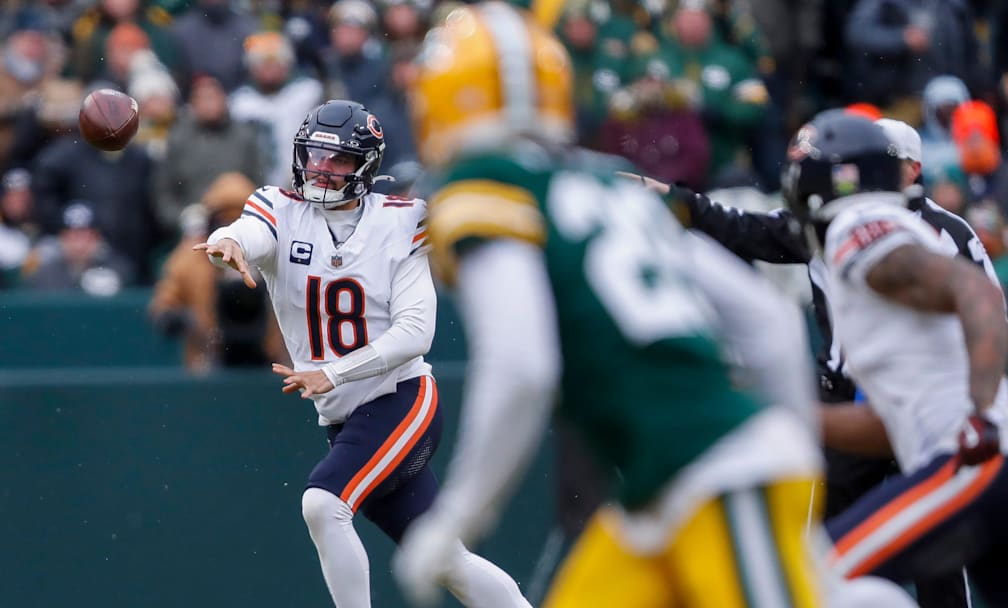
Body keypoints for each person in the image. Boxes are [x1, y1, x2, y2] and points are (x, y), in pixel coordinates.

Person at [391, 4, 829, 607]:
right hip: (657, 499)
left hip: (715, 477)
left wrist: (457, 517)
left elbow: (523, 367)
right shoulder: (611, 179)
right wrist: (798, 462)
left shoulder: (484, 186)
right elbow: (770, 324)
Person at [625, 115, 989, 608]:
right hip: (853, 399)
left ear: (911, 170)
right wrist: (670, 198)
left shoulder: (937, 232)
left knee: (935, 545)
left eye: (870, 167)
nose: (851, 179)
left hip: (918, 399)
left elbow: (988, 315)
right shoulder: (828, 224)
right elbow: (739, 228)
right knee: (825, 548)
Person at [193, 99, 531, 608]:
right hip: (345, 418)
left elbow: (416, 332)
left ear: (366, 167)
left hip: (400, 397)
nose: (322, 170)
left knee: (323, 503)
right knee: (444, 558)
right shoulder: (278, 208)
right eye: (315, 156)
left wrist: (332, 372)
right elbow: (247, 231)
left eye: (338, 161)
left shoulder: (402, 222)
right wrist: (226, 240)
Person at [785, 109, 1008, 608]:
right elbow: (890, 422)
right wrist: (795, 418)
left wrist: (980, 414)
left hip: (972, 462)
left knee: (808, 579)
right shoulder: (899, 230)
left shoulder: (857, 225)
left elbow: (977, 295)